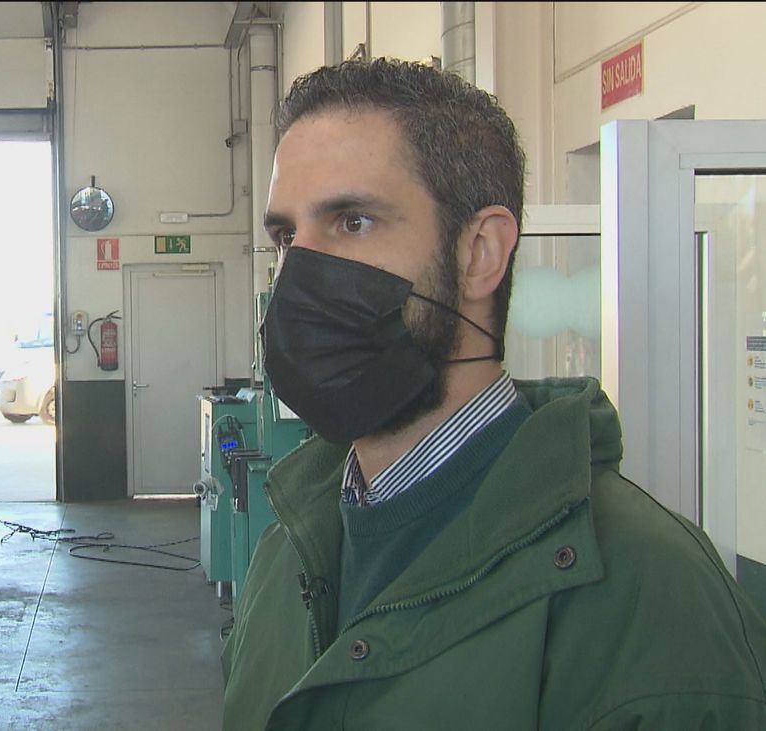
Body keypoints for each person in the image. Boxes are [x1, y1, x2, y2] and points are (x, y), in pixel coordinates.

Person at [221, 59, 766, 729]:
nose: (298, 272)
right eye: (286, 235)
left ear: (480, 252)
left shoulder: (651, 594)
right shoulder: (288, 550)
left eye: (352, 221)